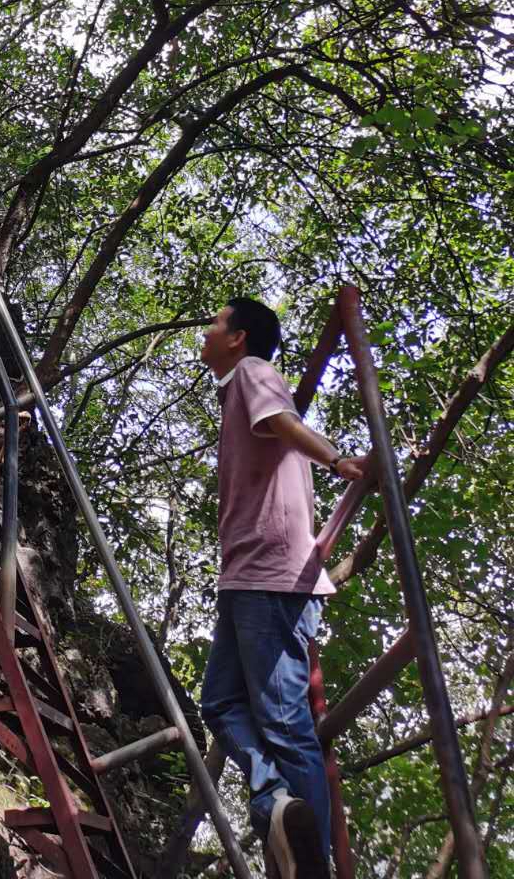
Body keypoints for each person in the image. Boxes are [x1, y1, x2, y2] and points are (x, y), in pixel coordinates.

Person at [199, 299, 366, 879]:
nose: (207, 331)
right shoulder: (238, 387)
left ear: (239, 338)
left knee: (285, 725)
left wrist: (338, 457)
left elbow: (278, 422)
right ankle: (276, 804)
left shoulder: (252, 373)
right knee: (219, 701)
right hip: (250, 573)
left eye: (215, 323)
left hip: (267, 574)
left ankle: (312, 864)